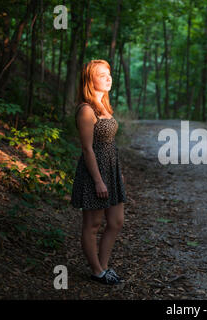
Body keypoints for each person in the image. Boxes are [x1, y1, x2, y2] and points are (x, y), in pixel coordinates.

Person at [70, 59, 127, 285]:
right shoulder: (86, 109)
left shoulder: (104, 105)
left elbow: (109, 143)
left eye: (109, 74)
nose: (108, 78)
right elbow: (87, 149)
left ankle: (104, 266)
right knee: (92, 225)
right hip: (94, 173)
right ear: (89, 79)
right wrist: (98, 181)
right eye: (102, 75)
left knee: (116, 221)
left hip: (111, 170)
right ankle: (97, 271)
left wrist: (116, 173)